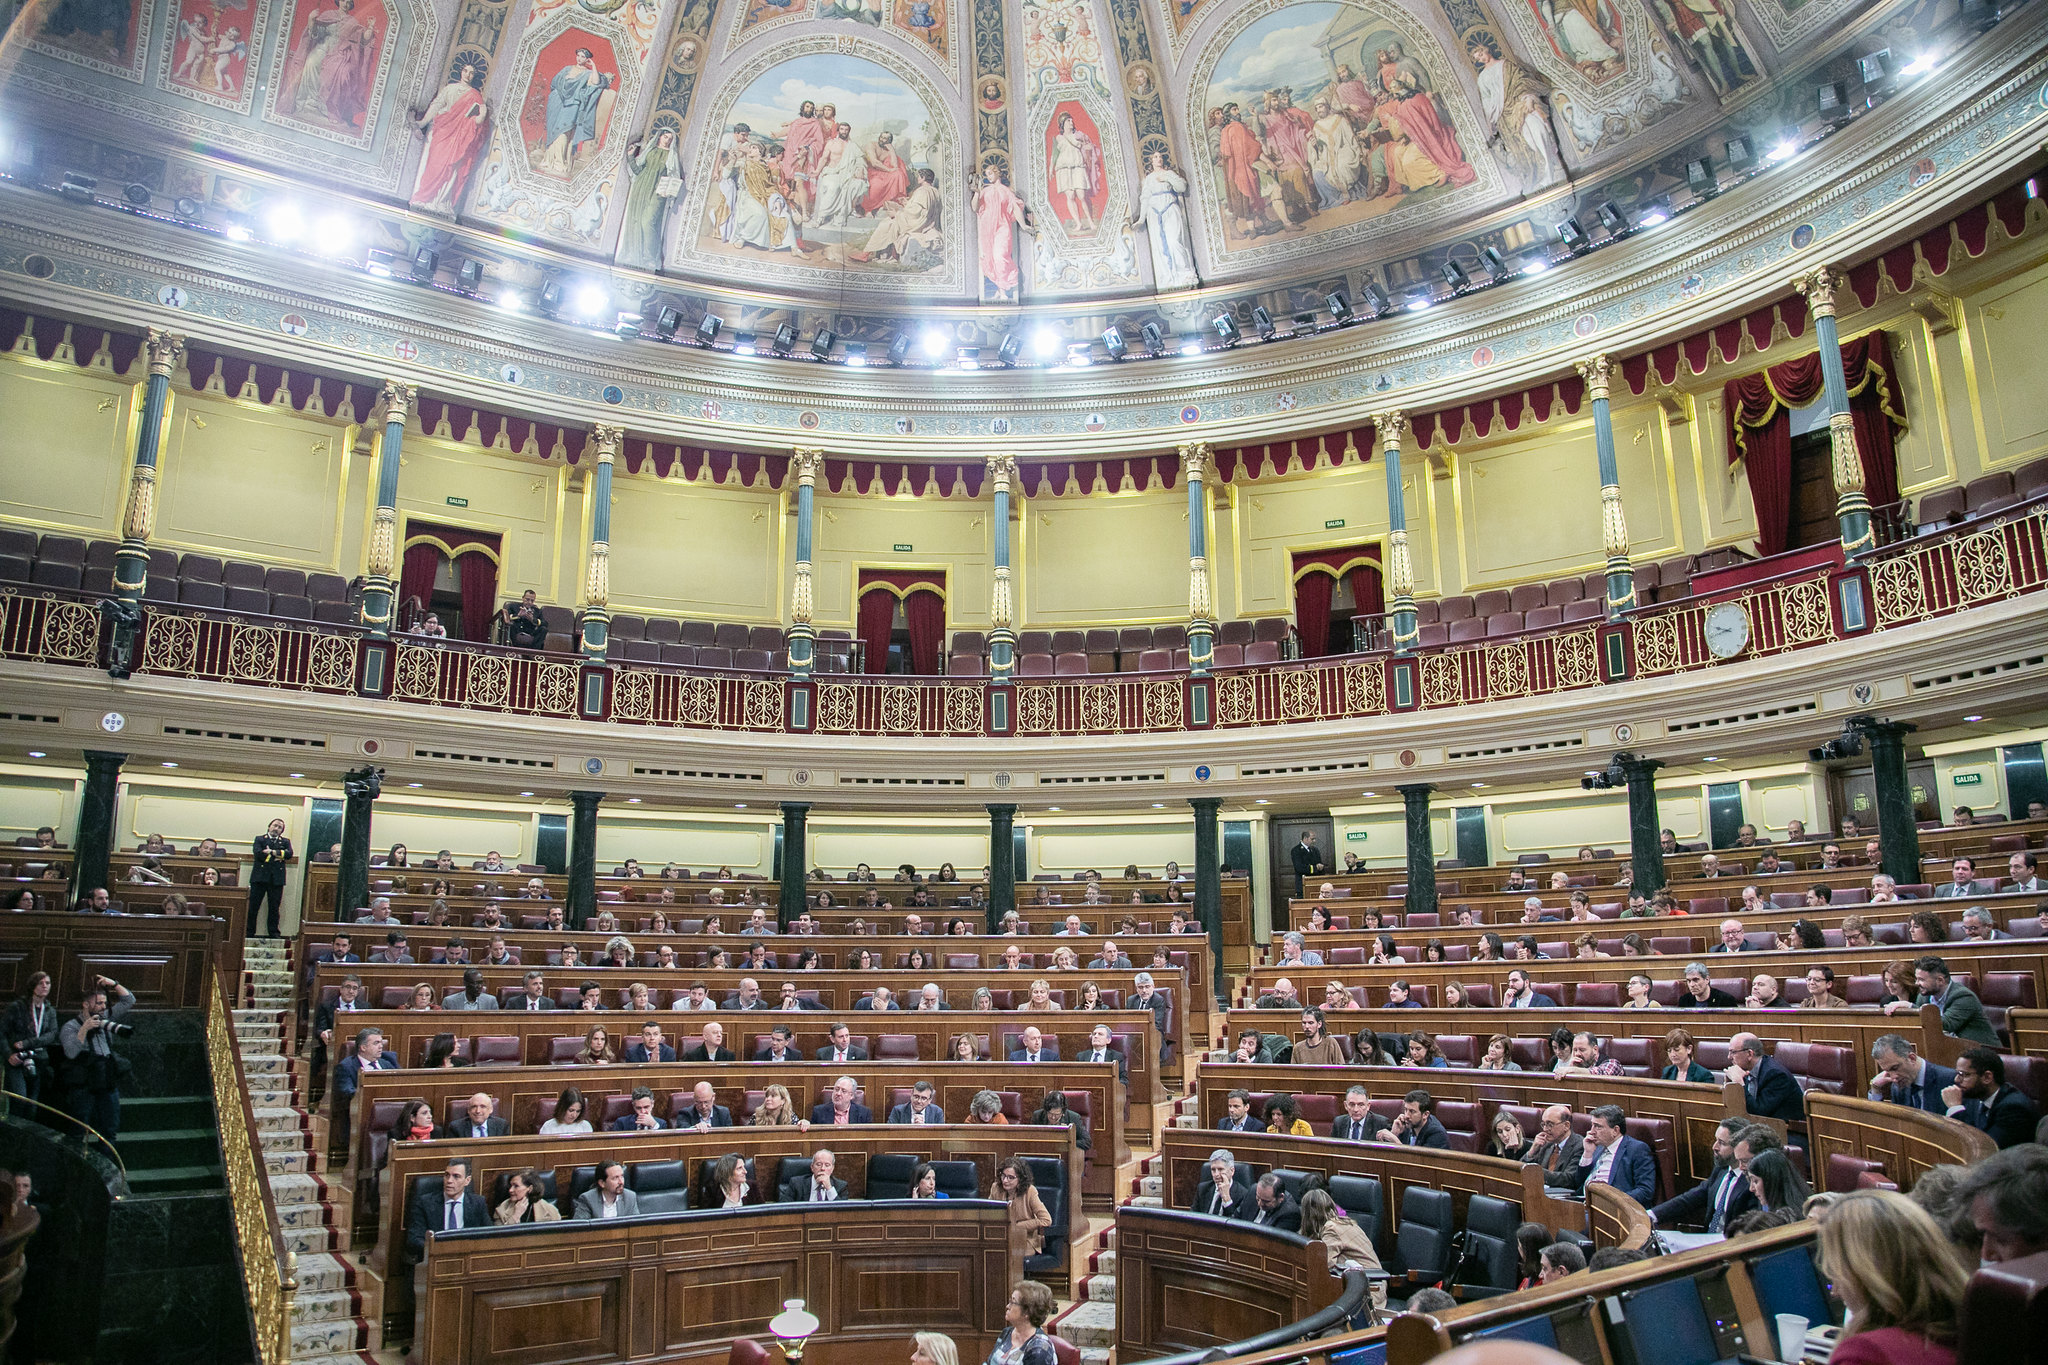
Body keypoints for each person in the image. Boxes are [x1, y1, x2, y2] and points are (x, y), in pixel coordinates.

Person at [1815, 1190, 1966, 1365]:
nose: (1835, 1290)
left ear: (1866, 1274)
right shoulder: (1972, 1327)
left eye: (1837, 1270)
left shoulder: (1865, 1354)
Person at [57, 975, 133, 1146]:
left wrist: (113, 983)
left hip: (106, 1078)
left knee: (110, 1128)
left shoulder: (106, 1018)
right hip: (84, 1082)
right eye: (99, 1003)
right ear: (86, 1004)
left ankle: (106, 1160)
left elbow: (129, 1000)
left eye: (104, 1003)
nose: (103, 1007)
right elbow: (71, 1053)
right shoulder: (70, 1026)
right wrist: (84, 1029)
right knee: (78, 1128)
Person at [1649, 1119, 1758, 1232]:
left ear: (1739, 1148)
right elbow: (1692, 1198)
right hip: (1707, 1237)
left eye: (1722, 1143)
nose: (1714, 1147)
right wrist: (1652, 1215)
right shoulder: (1722, 1169)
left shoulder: (1752, 1182)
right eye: (1716, 1140)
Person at [1298, 1188, 1387, 1315]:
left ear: (1308, 1215)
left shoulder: (1331, 1229)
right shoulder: (1344, 1222)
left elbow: (1324, 1267)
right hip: (1371, 1285)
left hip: (1368, 1290)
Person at [1887, 955, 1999, 1045]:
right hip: (1948, 1048)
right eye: (1917, 979)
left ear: (1940, 980)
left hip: (1982, 1052)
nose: (1917, 983)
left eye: (1921, 979)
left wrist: (1911, 1007)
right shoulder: (1924, 996)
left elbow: (1946, 1025)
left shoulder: (1963, 996)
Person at [1942, 1047, 2040, 1149]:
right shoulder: (1976, 1097)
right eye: (1957, 1073)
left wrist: (1955, 1108)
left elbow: (1986, 1148)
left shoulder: (2014, 1109)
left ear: (1987, 1077)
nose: (1956, 1080)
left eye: (1963, 1074)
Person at [407, 1157, 488, 1259]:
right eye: (447, 1175)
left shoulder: (478, 1203)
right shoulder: (425, 1203)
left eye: (456, 1176)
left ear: (467, 1181)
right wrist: (440, 1250)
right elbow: (414, 1239)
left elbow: (489, 1235)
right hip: (435, 1258)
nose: (449, 1181)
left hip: (468, 1258)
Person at [1868, 1034, 1957, 1114]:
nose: (1893, 1077)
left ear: (1912, 1058)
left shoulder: (1949, 1079)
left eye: (1895, 1068)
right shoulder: (1898, 1086)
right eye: (1887, 1071)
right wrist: (1875, 1089)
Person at [987, 1281, 1058, 1365]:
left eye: (1013, 1302)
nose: (1007, 1306)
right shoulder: (1007, 1332)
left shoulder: (1039, 1349)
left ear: (1027, 1312)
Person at [247, 816, 293, 938]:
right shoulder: (260, 839)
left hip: (276, 879)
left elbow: (289, 854)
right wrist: (279, 856)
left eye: (280, 827)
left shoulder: (285, 841)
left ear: (282, 831)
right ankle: (249, 932)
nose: (276, 828)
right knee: (253, 907)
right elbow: (258, 854)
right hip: (259, 878)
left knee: (274, 908)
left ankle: (273, 932)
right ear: (269, 827)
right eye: (275, 825)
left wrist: (272, 852)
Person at [1746, 1147, 1811, 1214]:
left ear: (1771, 1181)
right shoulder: (1766, 1207)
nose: (1751, 1188)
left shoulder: (1786, 1216)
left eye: (1755, 1181)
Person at [1193, 1150, 1252, 1218]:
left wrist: (1227, 1199)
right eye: (1213, 1170)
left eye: (1220, 1169)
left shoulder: (1243, 1195)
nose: (1216, 1174)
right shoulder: (1202, 1189)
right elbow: (1192, 1217)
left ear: (1232, 1171)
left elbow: (1236, 1222)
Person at [573, 1160, 640, 1218]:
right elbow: (579, 1227)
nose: (621, 1182)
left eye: (622, 1176)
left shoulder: (630, 1197)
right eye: (615, 1178)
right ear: (602, 1183)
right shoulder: (587, 1199)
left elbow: (636, 1226)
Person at [495, 1168, 562, 1225]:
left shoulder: (550, 1211)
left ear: (530, 1189)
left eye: (516, 1186)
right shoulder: (501, 1210)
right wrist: (516, 1216)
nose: (510, 1190)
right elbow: (499, 1235)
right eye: (510, 1186)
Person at [784, 1149, 850, 1202]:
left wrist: (829, 1188)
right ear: (812, 1167)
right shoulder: (796, 1184)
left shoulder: (841, 1186)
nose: (822, 1168)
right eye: (819, 1164)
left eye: (827, 1165)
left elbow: (842, 1211)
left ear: (832, 1169)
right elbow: (784, 1209)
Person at [444, 1092, 509, 1139]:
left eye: (483, 1106)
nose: (478, 1111)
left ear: (490, 1109)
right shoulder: (456, 1127)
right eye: (474, 1107)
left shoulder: (501, 1125)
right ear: (468, 1110)